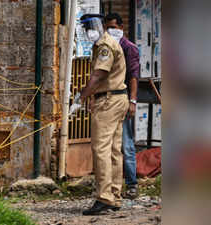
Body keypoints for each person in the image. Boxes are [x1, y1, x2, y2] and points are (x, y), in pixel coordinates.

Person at [77, 14, 129, 215]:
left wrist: (80, 98)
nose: (87, 31)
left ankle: (104, 198)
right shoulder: (104, 44)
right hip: (116, 98)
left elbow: (99, 75)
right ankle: (115, 196)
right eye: (86, 27)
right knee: (115, 150)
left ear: (98, 26)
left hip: (109, 102)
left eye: (90, 26)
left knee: (101, 149)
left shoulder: (105, 46)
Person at [105, 13, 140, 199]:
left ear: (120, 27)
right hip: (108, 100)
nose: (109, 31)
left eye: (112, 27)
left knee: (126, 144)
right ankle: (110, 185)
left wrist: (132, 101)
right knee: (109, 145)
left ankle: (132, 183)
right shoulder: (106, 47)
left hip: (123, 99)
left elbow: (133, 77)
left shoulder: (129, 48)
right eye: (107, 28)